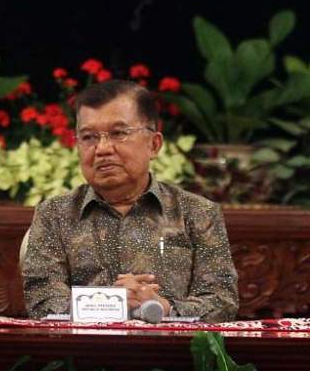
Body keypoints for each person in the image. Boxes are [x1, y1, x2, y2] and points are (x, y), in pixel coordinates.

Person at [22, 79, 238, 321]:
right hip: (84, 344)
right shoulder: (54, 214)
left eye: (118, 133)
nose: (102, 148)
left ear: (154, 145)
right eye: (89, 137)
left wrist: (163, 308)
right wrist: (112, 303)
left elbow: (222, 301)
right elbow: (42, 301)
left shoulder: (197, 213)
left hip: (174, 344)